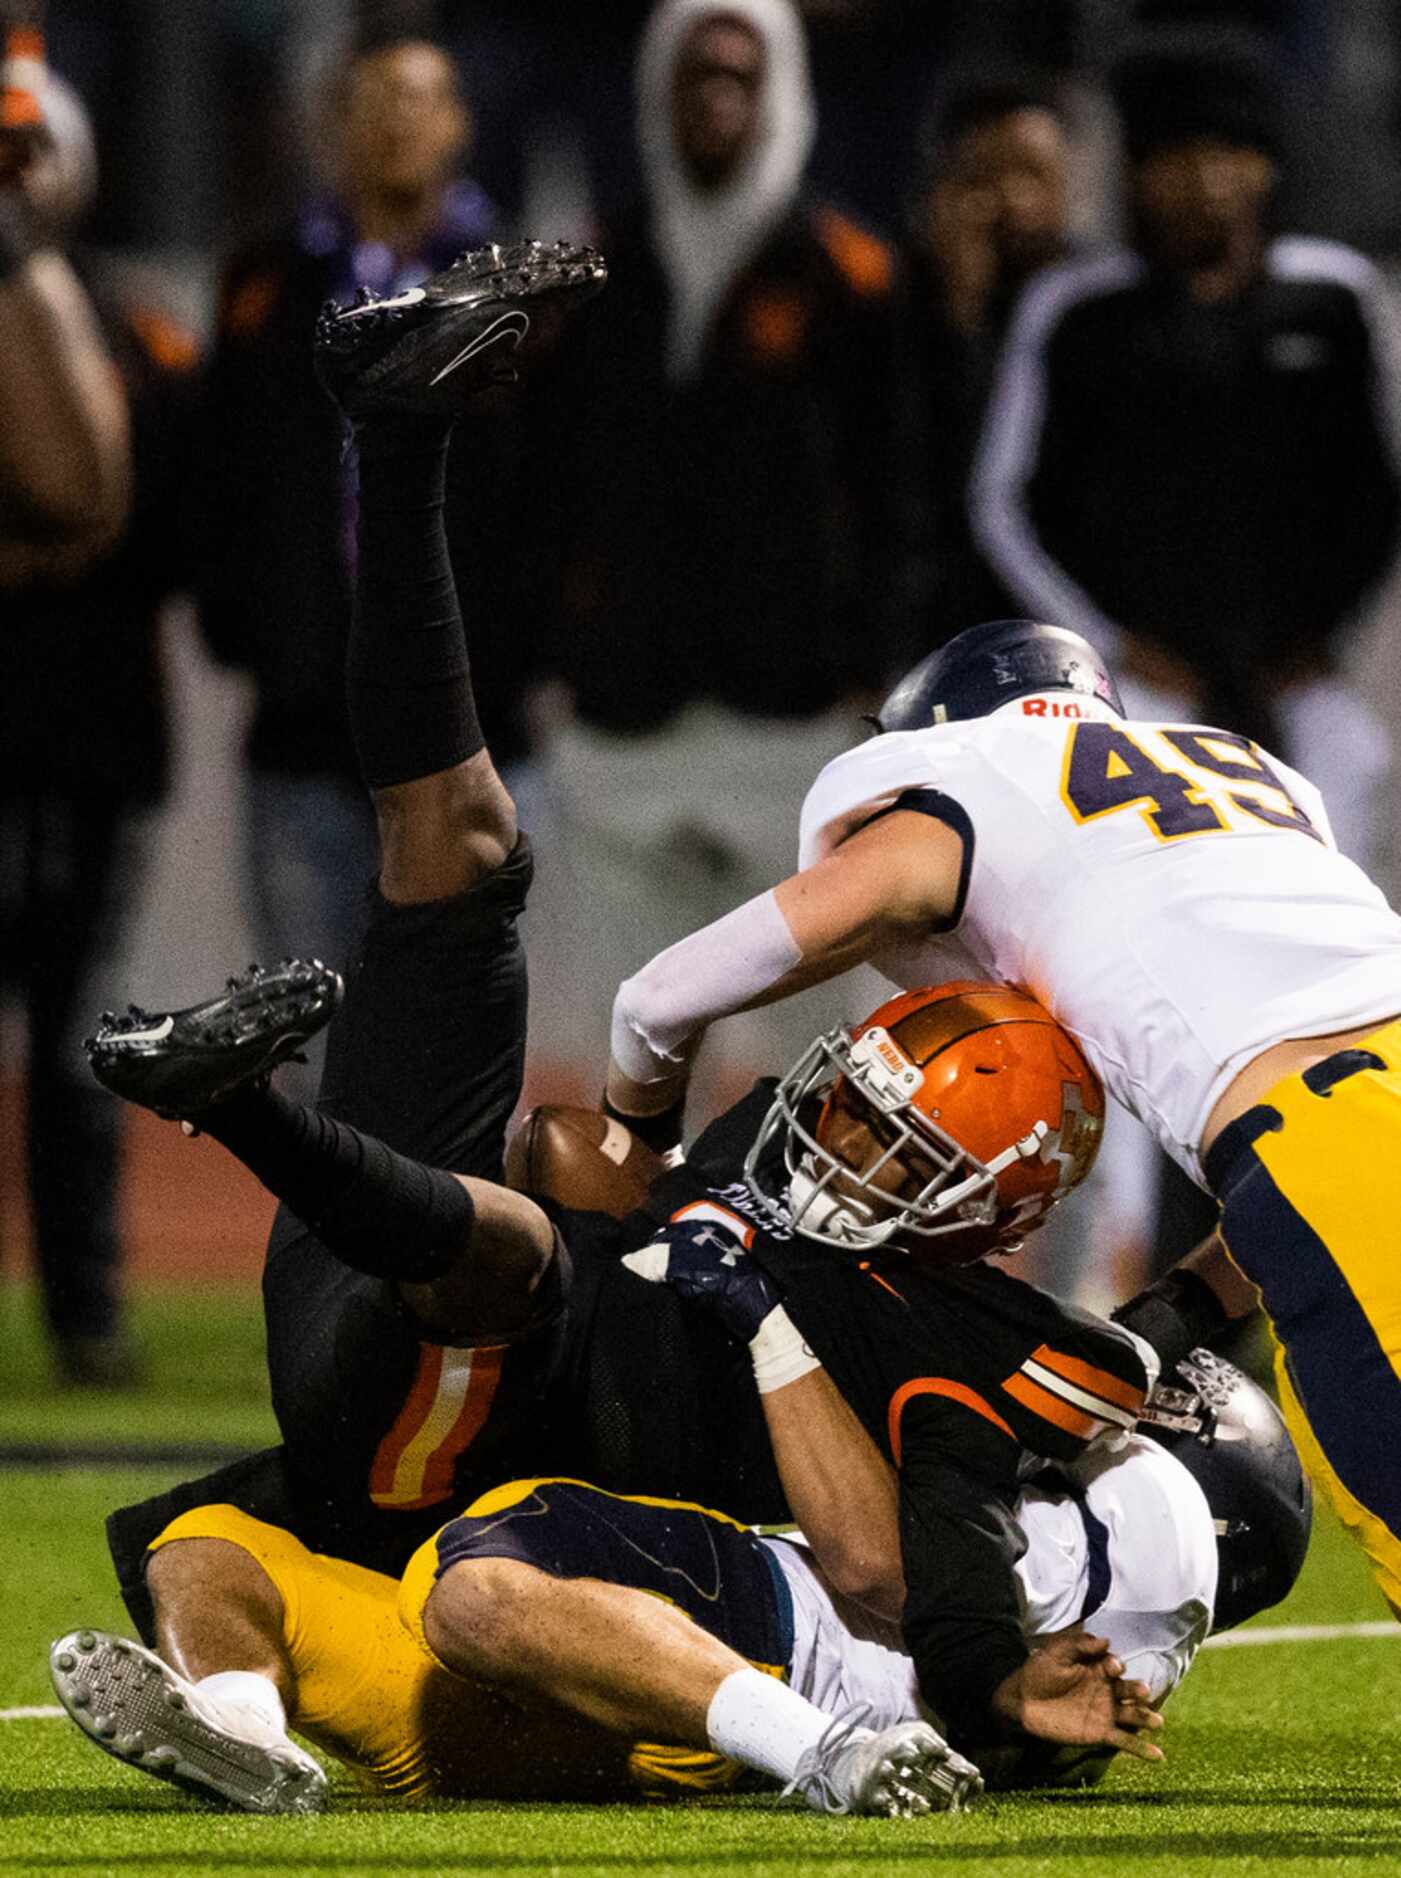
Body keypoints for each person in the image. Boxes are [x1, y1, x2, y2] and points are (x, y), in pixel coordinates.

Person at [89, 246, 1165, 1775]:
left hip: (475, 1422)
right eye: (865, 1103)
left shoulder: (972, 1346)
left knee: (515, 1255)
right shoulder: (931, 1084)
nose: (852, 1127)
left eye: (902, 1133)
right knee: (458, 847)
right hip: (397, 1297)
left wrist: (665, 1191)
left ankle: (242, 1104)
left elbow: (897, 1553)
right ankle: (398, 436)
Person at [603, 612, 1401, 1622]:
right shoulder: (1250, 780)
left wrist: (640, 1148)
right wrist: (1175, 1308)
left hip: (1326, 1135)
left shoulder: (970, 782)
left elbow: (655, 998)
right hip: (1335, 1127)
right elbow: (1300, 1176)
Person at [59, 1348, 1304, 1815]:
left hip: (759, 1620)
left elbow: (917, 1585)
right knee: (205, 1541)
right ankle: (247, 1736)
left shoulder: (1154, 1517)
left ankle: (816, 1750)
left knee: (476, 1569)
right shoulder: (1116, 1640)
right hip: (605, 1725)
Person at [529, 0, 917, 1101]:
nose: (716, 100)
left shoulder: (848, 272)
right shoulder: (593, 275)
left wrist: (869, 671)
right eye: (696, 76)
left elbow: (898, 495)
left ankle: (787, 1278)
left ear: (780, 90)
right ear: (659, 93)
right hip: (625, 712)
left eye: (740, 77)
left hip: (792, 720)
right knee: (637, 1050)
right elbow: (541, 486)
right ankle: (642, 1275)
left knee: (792, 1075)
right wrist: (558, 646)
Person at [194, 21, 521, 1077]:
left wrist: (521, 664)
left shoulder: (517, 290)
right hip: (303, 715)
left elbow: (548, 495)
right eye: (371, 99)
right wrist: (251, 634)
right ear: (333, 124)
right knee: (313, 1034)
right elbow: (228, 475)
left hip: (471, 723)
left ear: (460, 125)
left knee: (459, 1042)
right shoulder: (269, 277)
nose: (394, 121)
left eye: (419, 97)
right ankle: (331, 1251)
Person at [0, 72, 196, 1387]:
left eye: (25, 152)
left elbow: (131, 517)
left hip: (85, 744)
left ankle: (89, 1314)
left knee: (80, 1049)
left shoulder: (135, 333)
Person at [903, 74, 1073, 637]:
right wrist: (962, 310)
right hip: (939, 639)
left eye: (1032, 174)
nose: (1014, 201)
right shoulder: (902, 308)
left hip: (1075, 637)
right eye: (986, 177)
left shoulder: (1100, 309)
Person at [0, 13, 129, 580]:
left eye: (30, 152)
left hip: (92, 628)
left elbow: (87, 496)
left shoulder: (136, 318)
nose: (19, 177)